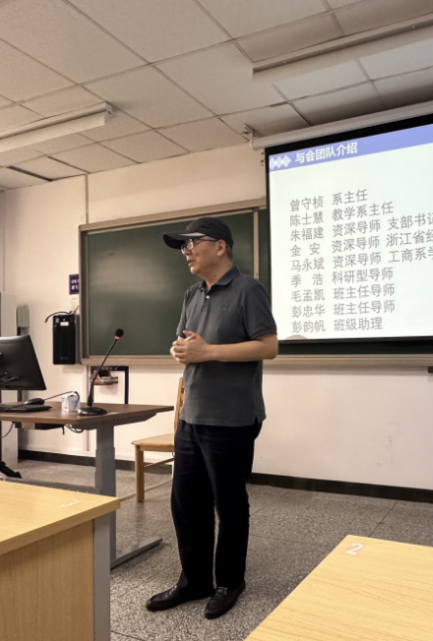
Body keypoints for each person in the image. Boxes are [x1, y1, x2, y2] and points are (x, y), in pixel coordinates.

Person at [146, 216, 277, 619]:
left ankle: (230, 582)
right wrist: (182, 351)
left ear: (220, 246)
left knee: (229, 504)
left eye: (192, 243)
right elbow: (186, 342)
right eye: (182, 246)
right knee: (186, 503)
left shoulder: (248, 289)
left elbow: (268, 346)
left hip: (232, 417)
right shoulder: (191, 293)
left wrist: (209, 352)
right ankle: (195, 581)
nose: (185, 251)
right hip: (192, 415)